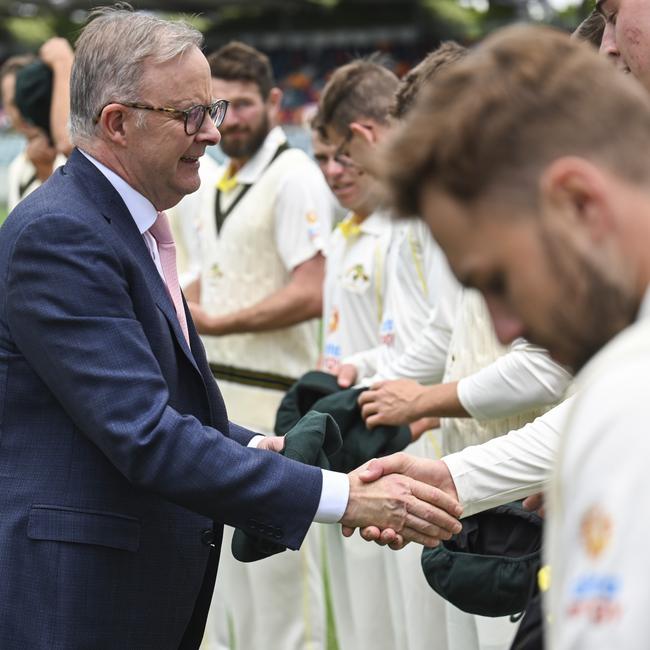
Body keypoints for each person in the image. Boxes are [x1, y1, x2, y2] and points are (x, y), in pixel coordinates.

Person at [0, 7, 463, 649]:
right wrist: (339, 496)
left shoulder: (117, 224)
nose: (211, 135)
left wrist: (251, 448)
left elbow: (158, 405)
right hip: (80, 595)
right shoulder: (63, 236)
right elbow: (143, 432)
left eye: (212, 112)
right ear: (117, 123)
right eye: (191, 115)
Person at [377, 22, 650, 648]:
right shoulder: (619, 374)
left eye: (498, 279)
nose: (505, 326)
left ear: (577, 200)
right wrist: (451, 479)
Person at [173, 41, 332, 650]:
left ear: (272, 101)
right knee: (221, 593)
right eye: (218, 107)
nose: (229, 120)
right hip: (219, 401)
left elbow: (312, 290)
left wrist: (218, 322)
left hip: (274, 398)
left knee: (282, 594)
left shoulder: (293, 177)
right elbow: (200, 278)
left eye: (242, 105)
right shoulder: (211, 178)